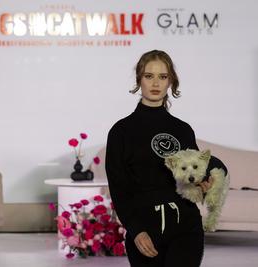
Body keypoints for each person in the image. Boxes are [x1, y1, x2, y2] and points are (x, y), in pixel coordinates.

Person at [105, 50, 218, 267]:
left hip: (186, 228)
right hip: (144, 231)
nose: (155, 83)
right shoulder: (121, 132)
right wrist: (136, 231)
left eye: (163, 77)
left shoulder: (183, 130)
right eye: (149, 76)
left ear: (171, 82)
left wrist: (205, 184)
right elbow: (119, 189)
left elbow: (194, 177)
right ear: (139, 80)